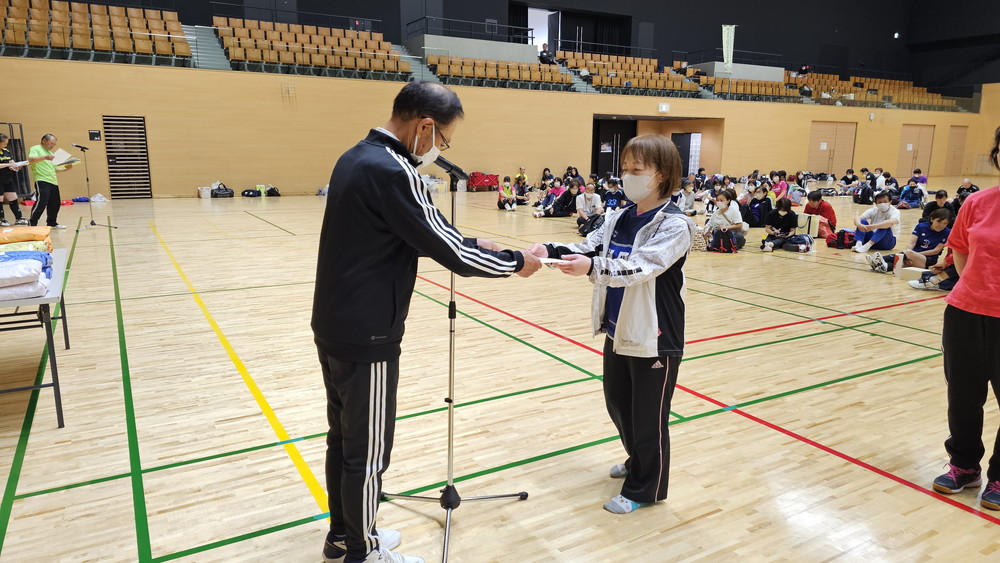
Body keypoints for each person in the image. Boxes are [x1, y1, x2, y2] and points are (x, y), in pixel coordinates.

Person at [312, 81, 541, 563]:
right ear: (424, 127)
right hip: (368, 331)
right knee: (368, 452)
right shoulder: (396, 171)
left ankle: (343, 535)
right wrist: (515, 261)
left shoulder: (356, 157)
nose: (440, 150)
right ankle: (364, 551)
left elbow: (406, 233)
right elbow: (450, 252)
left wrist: (478, 244)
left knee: (344, 440)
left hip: (334, 322)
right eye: (444, 141)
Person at [527, 134, 696, 515]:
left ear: (661, 174)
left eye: (637, 169)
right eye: (625, 168)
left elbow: (640, 267)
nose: (627, 176)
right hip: (619, 328)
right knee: (619, 403)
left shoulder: (675, 225)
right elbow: (589, 246)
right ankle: (637, 460)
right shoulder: (620, 216)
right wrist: (549, 251)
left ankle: (646, 488)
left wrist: (592, 267)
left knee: (648, 417)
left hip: (655, 336)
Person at [931, 125, 1000, 512]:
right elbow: (959, 250)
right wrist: (977, 287)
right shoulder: (978, 202)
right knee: (962, 396)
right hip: (965, 313)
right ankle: (964, 465)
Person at [867, 208, 950, 274]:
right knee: (903, 263)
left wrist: (912, 254)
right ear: (932, 219)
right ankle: (884, 266)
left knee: (908, 254)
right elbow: (911, 243)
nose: (941, 225)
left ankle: (881, 259)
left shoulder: (946, 232)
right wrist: (908, 254)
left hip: (928, 260)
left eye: (945, 223)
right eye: (938, 222)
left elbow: (935, 251)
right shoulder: (921, 227)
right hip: (912, 255)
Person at [27, 134, 72, 229]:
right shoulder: (35, 148)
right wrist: (45, 157)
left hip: (53, 181)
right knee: (41, 202)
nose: (52, 146)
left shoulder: (50, 153)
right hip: (42, 180)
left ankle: (52, 223)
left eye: (54, 144)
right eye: (51, 143)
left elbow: (54, 168)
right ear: (44, 140)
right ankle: (32, 223)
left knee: (55, 204)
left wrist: (65, 169)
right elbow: (31, 160)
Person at [0, 134, 27, 227]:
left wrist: (15, 166)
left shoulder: (6, 151)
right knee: (0, 199)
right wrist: (8, 165)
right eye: (4, 143)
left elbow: (11, 162)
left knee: (13, 198)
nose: (6, 145)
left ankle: (19, 218)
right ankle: (1, 219)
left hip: (7, 178)